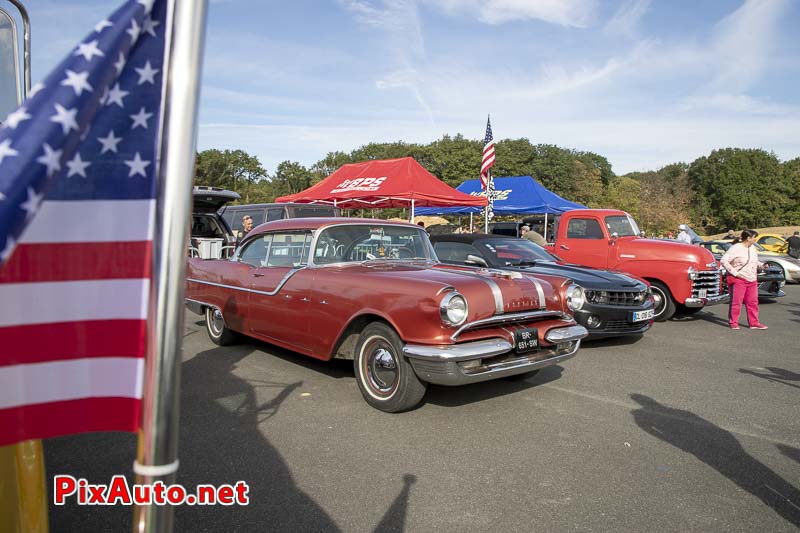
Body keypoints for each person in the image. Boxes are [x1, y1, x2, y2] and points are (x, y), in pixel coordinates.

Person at [720, 229, 767, 330]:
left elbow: (754, 260)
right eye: (754, 237)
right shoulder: (736, 248)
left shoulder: (752, 248)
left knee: (753, 302)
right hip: (739, 279)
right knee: (737, 302)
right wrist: (735, 273)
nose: (755, 239)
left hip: (752, 279)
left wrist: (762, 265)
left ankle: (754, 323)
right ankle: (733, 322)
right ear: (748, 238)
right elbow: (724, 261)